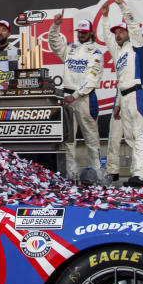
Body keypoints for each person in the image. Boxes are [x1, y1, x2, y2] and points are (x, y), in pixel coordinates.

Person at [100, 0, 143, 186]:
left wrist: (122, 5)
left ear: (128, 33)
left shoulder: (136, 44)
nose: (118, 35)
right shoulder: (118, 52)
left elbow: (133, 24)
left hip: (138, 92)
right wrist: (105, 17)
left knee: (140, 134)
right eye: (116, 33)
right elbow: (107, 38)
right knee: (130, 137)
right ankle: (136, 173)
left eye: (121, 32)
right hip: (125, 96)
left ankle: (142, 174)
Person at [48, 12, 103, 182]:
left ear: (91, 33)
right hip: (68, 97)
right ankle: (71, 172)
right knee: (68, 138)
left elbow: (92, 79)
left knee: (91, 138)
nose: (81, 35)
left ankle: (96, 172)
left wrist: (75, 95)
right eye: (79, 32)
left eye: (84, 32)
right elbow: (54, 43)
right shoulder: (70, 48)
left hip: (85, 98)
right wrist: (56, 25)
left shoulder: (96, 53)